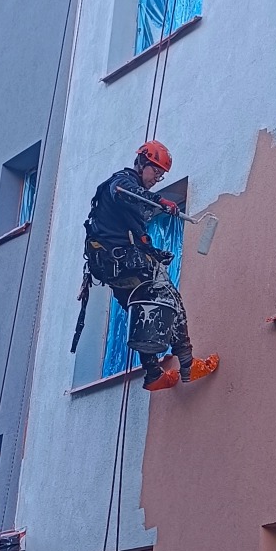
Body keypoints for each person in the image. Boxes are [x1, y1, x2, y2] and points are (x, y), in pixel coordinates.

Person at [77, 141, 219, 392]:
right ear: (142, 163)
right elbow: (124, 191)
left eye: (161, 175)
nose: (157, 178)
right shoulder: (121, 182)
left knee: (145, 310)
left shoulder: (125, 203)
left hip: (112, 268)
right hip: (120, 264)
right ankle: (188, 364)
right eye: (155, 171)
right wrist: (161, 202)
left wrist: (154, 252)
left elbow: (138, 234)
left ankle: (153, 374)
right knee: (170, 299)